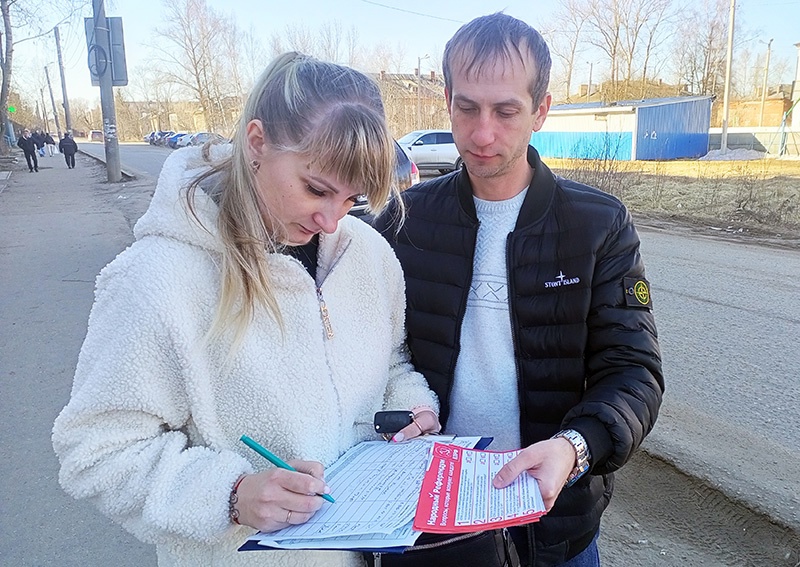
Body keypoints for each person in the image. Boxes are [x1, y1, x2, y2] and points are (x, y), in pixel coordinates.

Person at [52, 52, 441, 567]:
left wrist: (412, 408)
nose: (331, 220)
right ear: (257, 143)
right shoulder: (157, 278)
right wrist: (230, 495)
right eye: (316, 189)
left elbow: (393, 363)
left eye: (353, 200)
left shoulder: (368, 254)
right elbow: (95, 450)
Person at [374, 13, 664, 567]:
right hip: (428, 518)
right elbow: (376, 352)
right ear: (447, 100)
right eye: (467, 108)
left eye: (506, 112)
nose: (483, 134)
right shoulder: (404, 220)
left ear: (541, 110)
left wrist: (575, 448)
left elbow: (633, 372)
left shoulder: (598, 226)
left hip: (553, 526)